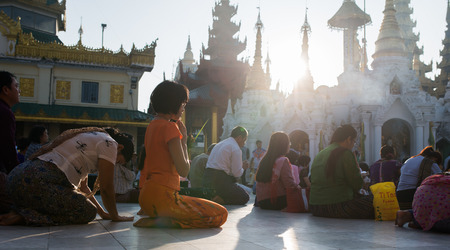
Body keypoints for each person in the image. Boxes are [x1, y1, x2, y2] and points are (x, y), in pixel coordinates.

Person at [134, 80, 227, 228]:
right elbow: (183, 170)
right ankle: (161, 221)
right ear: (174, 103)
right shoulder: (170, 128)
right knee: (220, 214)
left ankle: (158, 217)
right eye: (183, 104)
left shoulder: (152, 125)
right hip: (163, 198)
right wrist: (183, 140)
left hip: (146, 197)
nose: (184, 108)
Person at [0, 127, 135, 226]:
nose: (114, 163)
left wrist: (104, 213)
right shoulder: (110, 144)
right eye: (118, 161)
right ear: (120, 147)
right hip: (37, 180)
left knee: (87, 207)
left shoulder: (92, 137)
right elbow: (106, 187)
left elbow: (84, 188)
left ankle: (18, 211)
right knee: (86, 212)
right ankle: (23, 217)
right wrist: (115, 216)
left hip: (15, 178)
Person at [309, 124, 374, 219]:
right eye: (354, 141)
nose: (353, 145)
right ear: (348, 139)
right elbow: (357, 184)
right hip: (337, 206)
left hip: (315, 207)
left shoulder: (321, 153)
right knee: (376, 202)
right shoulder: (345, 153)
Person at [203, 126, 250, 205]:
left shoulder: (219, 144)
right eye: (244, 140)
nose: (244, 144)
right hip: (220, 181)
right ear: (239, 138)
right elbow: (237, 174)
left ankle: (215, 196)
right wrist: (243, 167)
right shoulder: (235, 148)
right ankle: (220, 200)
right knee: (245, 197)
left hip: (207, 179)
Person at [255, 132, 299, 210]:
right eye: (289, 143)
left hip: (261, 201)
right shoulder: (282, 160)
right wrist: (300, 189)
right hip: (276, 200)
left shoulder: (264, 160)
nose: (289, 145)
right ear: (284, 145)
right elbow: (289, 184)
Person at [0, 71, 20, 214]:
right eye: (16, 86)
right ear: (6, 90)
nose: (19, 90)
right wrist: (18, 175)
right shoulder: (5, 113)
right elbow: (8, 148)